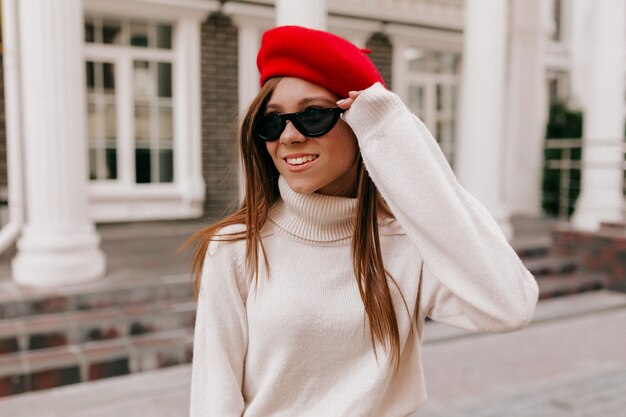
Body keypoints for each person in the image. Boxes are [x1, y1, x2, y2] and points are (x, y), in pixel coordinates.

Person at [187, 25, 539, 417]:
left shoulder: (407, 242)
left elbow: (509, 304)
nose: (288, 136)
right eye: (272, 121)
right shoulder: (237, 245)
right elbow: (213, 399)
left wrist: (396, 135)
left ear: (362, 125)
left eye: (313, 115)